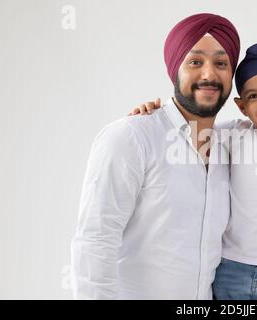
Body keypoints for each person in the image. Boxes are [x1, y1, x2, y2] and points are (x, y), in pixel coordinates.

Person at [71, 13, 240, 299]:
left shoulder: (231, 147)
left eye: (221, 63)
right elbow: (95, 241)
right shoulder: (132, 137)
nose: (209, 75)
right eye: (195, 62)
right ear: (175, 68)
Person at [130, 43, 257, 300]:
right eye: (253, 97)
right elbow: (184, 127)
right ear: (241, 106)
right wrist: (151, 112)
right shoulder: (231, 135)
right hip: (228, 270)